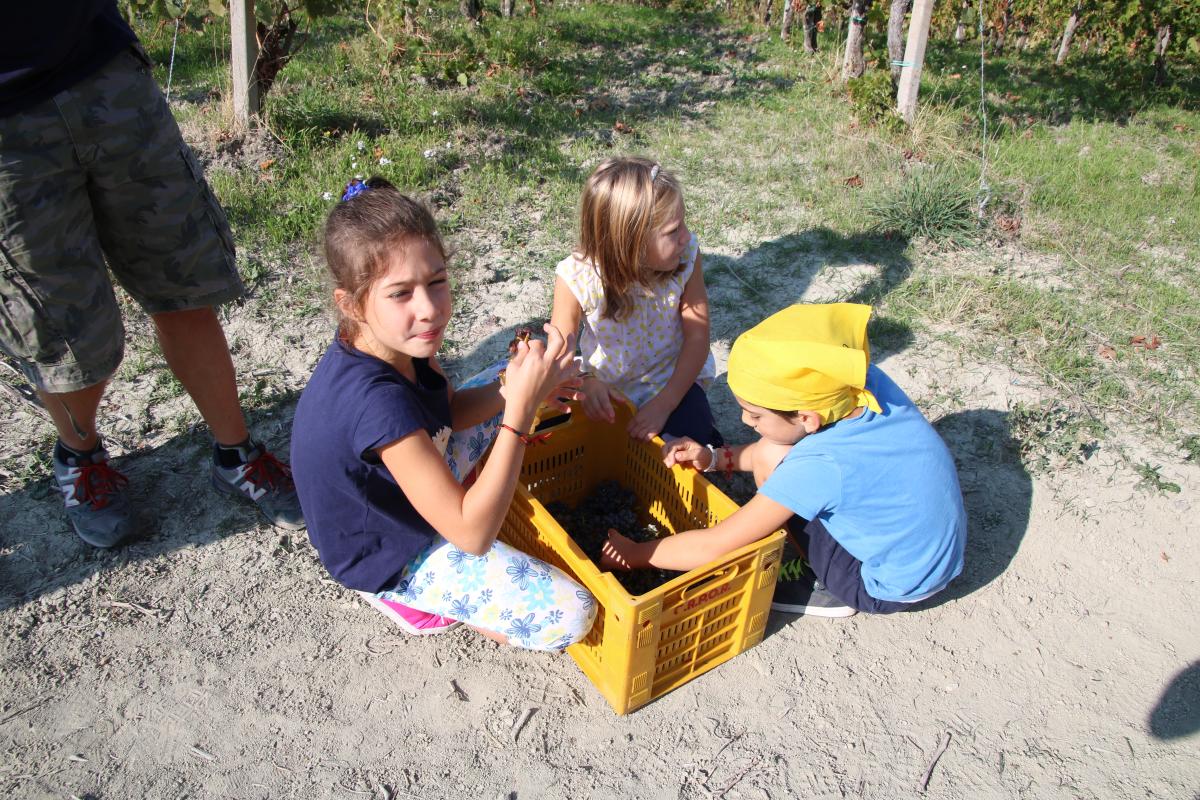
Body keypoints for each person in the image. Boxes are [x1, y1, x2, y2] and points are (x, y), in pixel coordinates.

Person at [0, 2, 303, 548]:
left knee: (184, 281)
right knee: (62, 328)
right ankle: (80, 455)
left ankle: (235, 454)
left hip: (101, 69)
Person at [290, 178, 596, 649]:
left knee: (512, 369)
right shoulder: (376, 402)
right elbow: (473, 536)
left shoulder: (396, 341)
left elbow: (450, 408)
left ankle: (463, 490)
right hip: (386, 547)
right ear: (350, 304)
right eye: (400, 294)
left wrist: (524, 387)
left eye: (436, 282)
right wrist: (519, 409)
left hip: (402, 481)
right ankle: (403, 597)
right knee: (573, 614)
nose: (429, 309)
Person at [602, 303, 966, 618]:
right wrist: (711, 458)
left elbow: (714, 545)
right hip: (930, 557)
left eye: (755, 415)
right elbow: (773, 444)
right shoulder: (856, 382)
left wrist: (636, 553)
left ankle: (822, 586)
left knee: (773, 462)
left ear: (808, 418)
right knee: (773, 450)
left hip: (881, 585)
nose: (746, 422)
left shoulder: (819, 466)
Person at [549, 156, 723, 446]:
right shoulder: (576, 277)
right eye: (673, 231)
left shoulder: (687, 255)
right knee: (580, 439)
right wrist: (587, 381)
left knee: (694, 434)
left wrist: (665, 402)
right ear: (630, 244)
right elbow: (559, 356)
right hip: (608, 387)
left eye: (683, 224)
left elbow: (697, 337)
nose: (686, 236)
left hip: (672, 380)